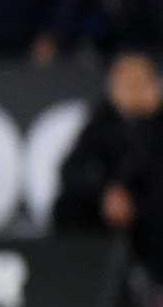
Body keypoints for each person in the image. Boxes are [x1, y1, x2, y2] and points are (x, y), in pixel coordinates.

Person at [54, 52, 163, 287]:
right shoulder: (101, 121)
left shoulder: (156, 125)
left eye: (140, 84)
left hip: (147, 205)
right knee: (66, 207)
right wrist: (105, 195)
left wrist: (148, 120)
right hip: (106, 204)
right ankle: (71, 282)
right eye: (126, 84)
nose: (133, 91)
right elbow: (70, 170)